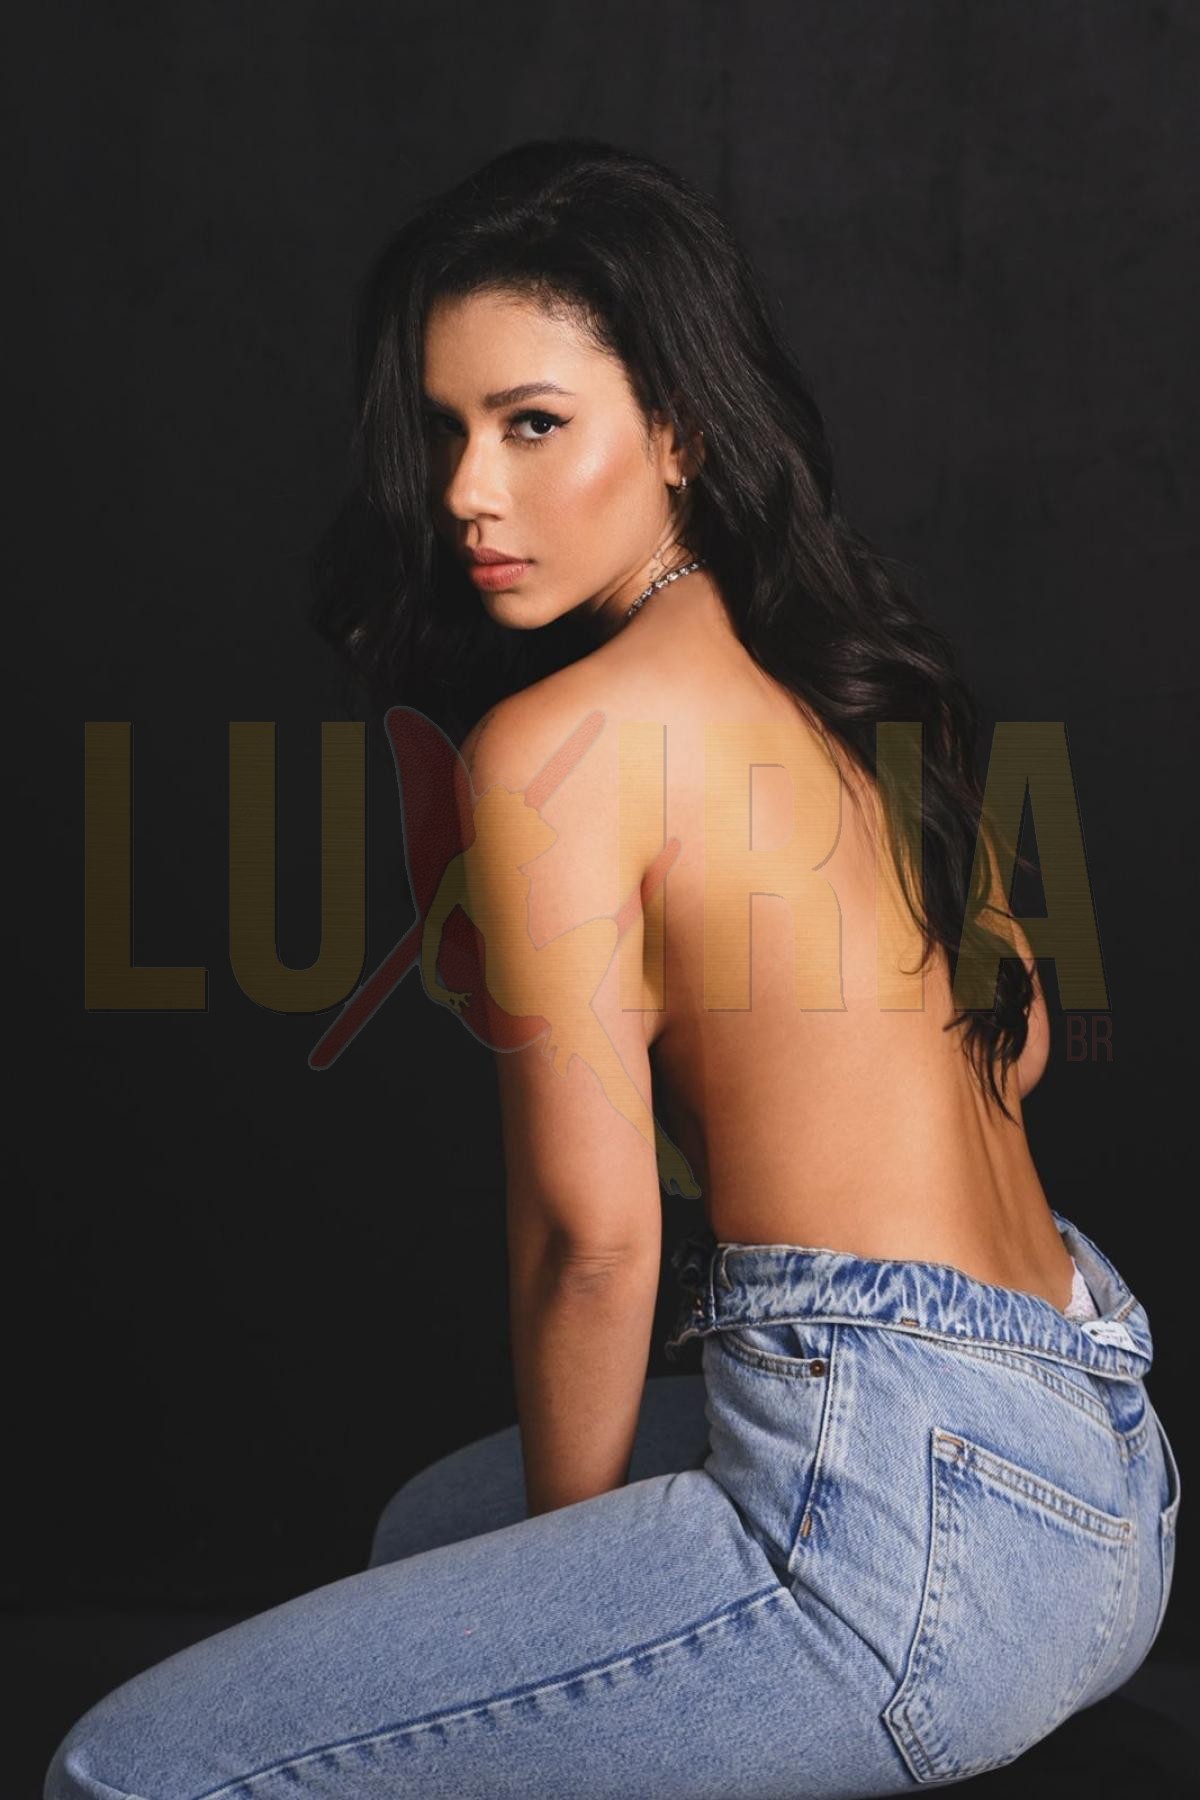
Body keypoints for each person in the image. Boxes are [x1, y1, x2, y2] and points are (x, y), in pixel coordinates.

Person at [46, 136, 1180, 1800]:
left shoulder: (560, 748)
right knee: (422, 1529)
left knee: (124, 1766)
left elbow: (595, 1243)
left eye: (530, 424)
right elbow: (1012, 1055)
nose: (464, 492)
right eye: (444, 430)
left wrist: (551, 1598)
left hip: (903, 1549)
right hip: (1102, 1483)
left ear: (679, 430)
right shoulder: (868, 687)